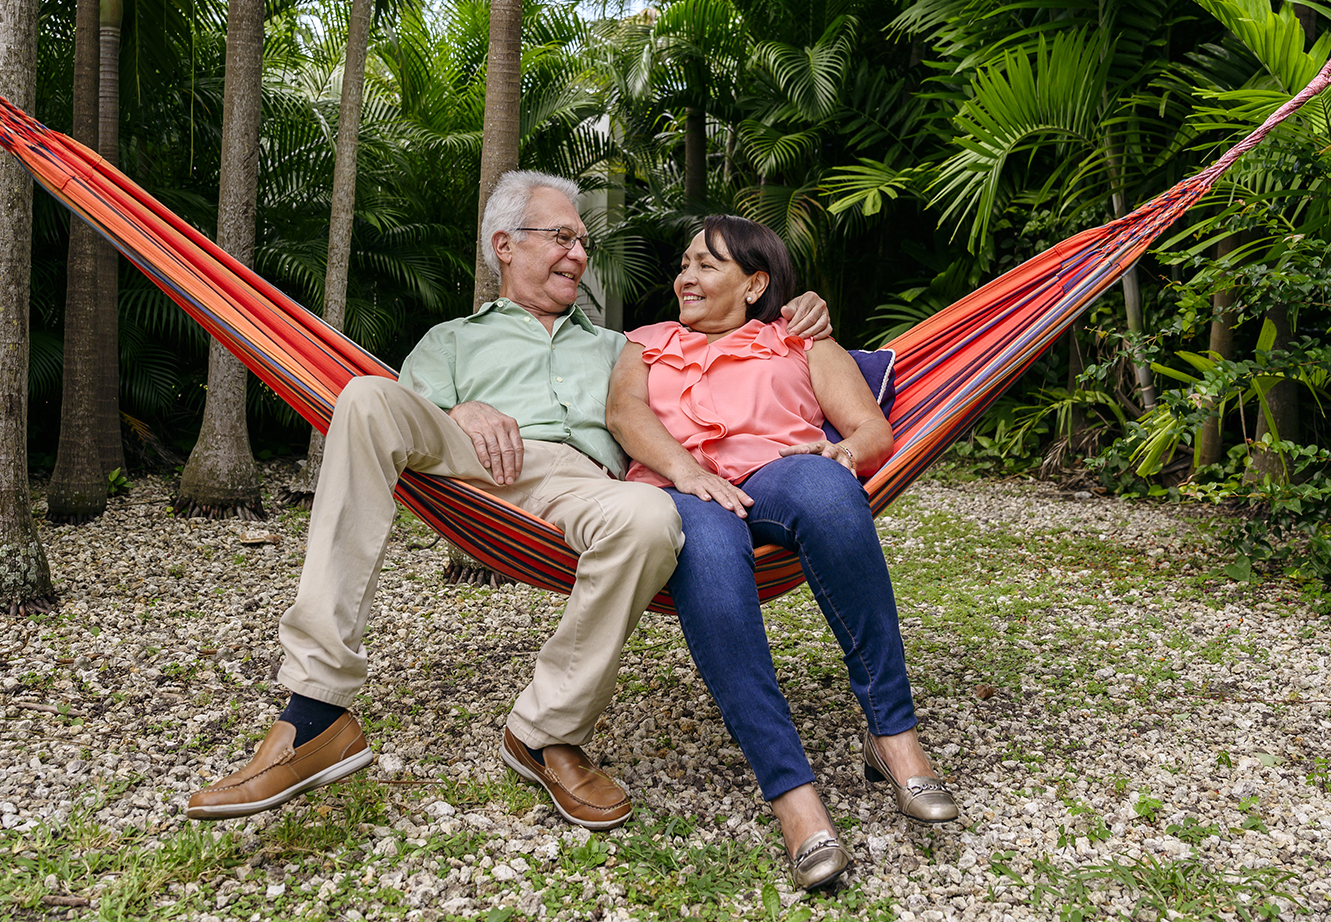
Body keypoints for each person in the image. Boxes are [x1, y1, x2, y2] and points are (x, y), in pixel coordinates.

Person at [185, 173, 830, 831]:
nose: (579, 254)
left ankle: (546, 732)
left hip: (584, 485)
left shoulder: (627, 346)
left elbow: (731, 347)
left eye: (583, 241)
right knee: (363, 397)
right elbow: (401, 422)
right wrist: (459, 410)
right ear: (505, 245)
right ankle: (315, 712)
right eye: (561, 237)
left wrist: (794, 307)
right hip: (470, 471)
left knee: (651, 516)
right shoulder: (452, 341)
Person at [606, 215, 958, 889]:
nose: (687, 276)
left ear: (754, 282)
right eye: (684, 264)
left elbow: (870, 428)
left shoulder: (798, 336)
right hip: (683, 485)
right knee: (705, 550)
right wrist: (685, 471)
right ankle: (794, 797)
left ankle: (894, 738)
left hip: (778, 471)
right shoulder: (644, 342)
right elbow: (626, 415)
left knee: (827, 489)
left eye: (707, 265)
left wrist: (842, 453)